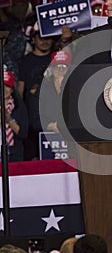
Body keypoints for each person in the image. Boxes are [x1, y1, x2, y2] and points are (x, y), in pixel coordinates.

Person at [18, 26, 54, 160]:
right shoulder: (26, 61)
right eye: (41, 38)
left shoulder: (56, 58)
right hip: (32, 119)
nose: (45, 42)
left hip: (53, 117)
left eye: (48, 38)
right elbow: (20, 90)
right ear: (33, 39)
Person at [40, 50, 71, 134]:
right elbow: (34, 118)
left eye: (64, 66)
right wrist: (51, 126)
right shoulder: (42, 90)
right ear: (51, 69)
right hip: (47, 137)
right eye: (58, 66)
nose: (61, 69)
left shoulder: (75, 89)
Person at [2, 71, 28, 162]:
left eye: (7, 86)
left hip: (15, 153)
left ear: (12, 89)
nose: (4, 89)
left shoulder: (19, 107)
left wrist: (9, 120)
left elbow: (23, 134)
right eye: (2, 85)